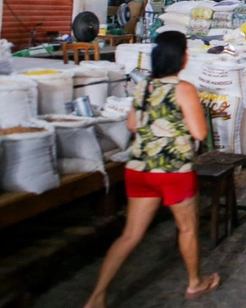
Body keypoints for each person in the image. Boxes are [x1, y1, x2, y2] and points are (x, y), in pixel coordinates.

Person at [83, 32, 219, 308]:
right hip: (174, 171)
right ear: (181, 58)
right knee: (187, 229)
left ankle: (96, 296)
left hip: (140, 169)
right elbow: (199, 133)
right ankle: (195, 282)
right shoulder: (184, 89)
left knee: (130, 235)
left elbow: (132, 125)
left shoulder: (144, 86)